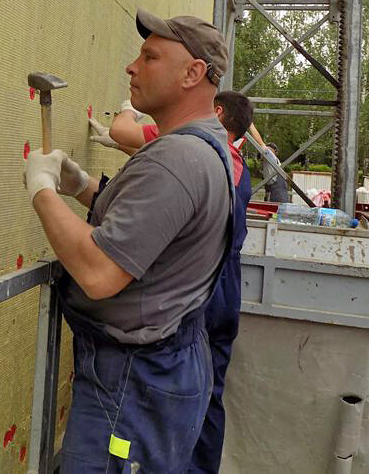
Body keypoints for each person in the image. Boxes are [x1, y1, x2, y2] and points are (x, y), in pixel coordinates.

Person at [24, 9, 234, 473]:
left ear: (193, 73)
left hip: (133, 386)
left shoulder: (176, 161)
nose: (132, 67)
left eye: (150, 56)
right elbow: (153, 229)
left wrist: (40, 191)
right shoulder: (202, 146)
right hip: (161, 369)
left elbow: (99, 273)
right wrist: (81, 187)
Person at [94, 91, 254, 473]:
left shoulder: (193, 146)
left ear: (216, 114)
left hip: (199, 283)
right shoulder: (234, 163)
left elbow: (123, 131)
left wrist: (127, 109)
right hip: (225, 281)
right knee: (208, 392)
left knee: (157, 383)